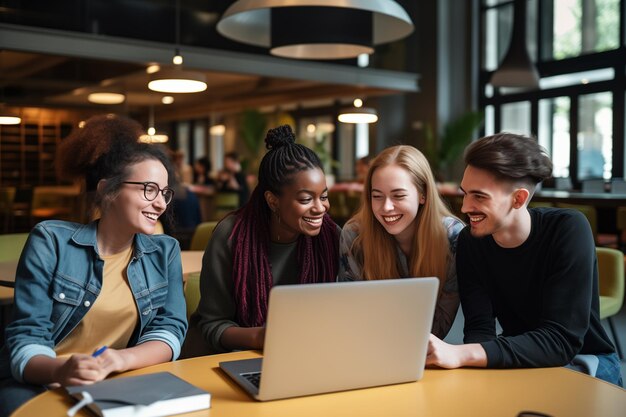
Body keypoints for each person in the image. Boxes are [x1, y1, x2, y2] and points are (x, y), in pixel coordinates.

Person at [0, 115, 188, 416]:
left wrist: (120, 360)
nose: (161, 204)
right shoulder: (50, 241)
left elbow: (170, 330)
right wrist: (61, 370)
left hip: (118, 380)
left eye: (164, 193)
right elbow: (26, 339)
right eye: (148, 189)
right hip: (42, 381)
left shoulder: (165, 251)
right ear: (107, 189)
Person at [426, 132, 622, 387]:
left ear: (518, 199)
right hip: (520, 355)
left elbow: (560, 341)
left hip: (585, 358)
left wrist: (462, 354)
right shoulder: (470, 241)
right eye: (465, 193)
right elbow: (479, 329)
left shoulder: (568, 229)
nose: (464, 207)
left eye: (479, 196)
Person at [190, 125, 340, 353]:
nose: (320, 208)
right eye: (306, 199)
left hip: (310, 354)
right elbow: (212, 325)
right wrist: (263, 337)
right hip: (240, 358)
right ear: (272, 201)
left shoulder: (331, 236)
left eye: (324, 196)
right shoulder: (232, 237)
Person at [339, 145, 464, 339]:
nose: (386, 207)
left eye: (398, 195)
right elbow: (354, 316)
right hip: (369, 350)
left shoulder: (452, 236)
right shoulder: (355, 235)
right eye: (377, 196)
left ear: (423, 194)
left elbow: (440, 327)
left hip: (429, 352)